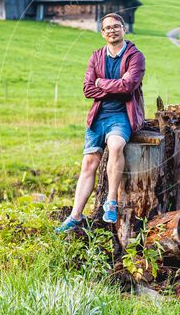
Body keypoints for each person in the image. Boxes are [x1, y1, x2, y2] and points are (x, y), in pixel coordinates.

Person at [56, 12, 146, 232]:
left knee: (116, 146)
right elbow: (88, 89)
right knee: (89, 163)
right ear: (102, 33)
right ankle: (75, 216)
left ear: (124, 29)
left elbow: (128, 88)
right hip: (98, 116)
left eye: (116, 26)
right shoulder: (96, 56)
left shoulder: (135, 56)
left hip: (121, 116)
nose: (112, 31)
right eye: (107, 28)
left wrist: (101, 83)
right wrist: (114, 84)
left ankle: (111, 201)